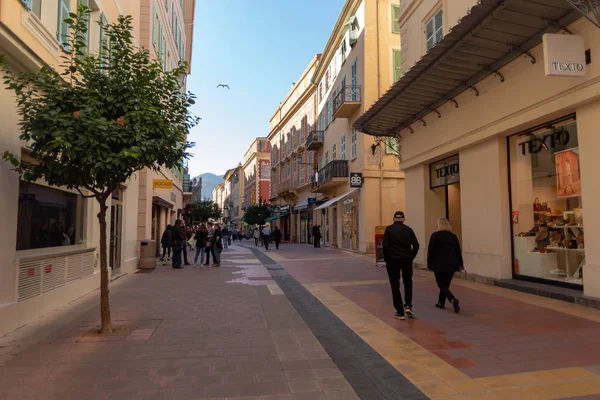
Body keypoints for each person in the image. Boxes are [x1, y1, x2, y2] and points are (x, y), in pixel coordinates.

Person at [383, 211, 420, 320]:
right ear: (404, 219)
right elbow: (416, 245)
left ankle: (400, 312)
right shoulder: (408, 229)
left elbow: (385, 246)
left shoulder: (389, 229)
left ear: (393, 219)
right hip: (406, 260)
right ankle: (408, 305)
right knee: (408, 281)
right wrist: (411, 256)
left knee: (395, 285)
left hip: (392, 260)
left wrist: (387, 259)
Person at [428, 218, 463, 313]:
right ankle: (441, 303)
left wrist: (429, 264)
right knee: (445, 284)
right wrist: (461, 264)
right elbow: (458, 251)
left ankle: (452, 299)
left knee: (441, 284)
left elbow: (430, 250)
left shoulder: (435, 236)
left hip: (438, 264)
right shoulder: (453, 236)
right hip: (452, 264)